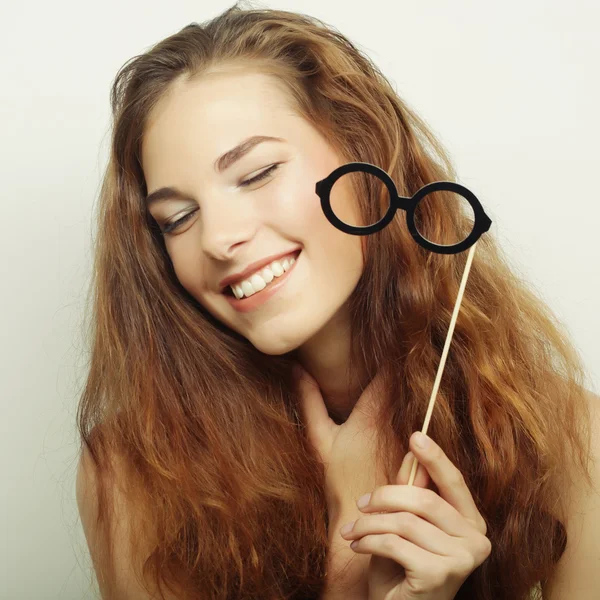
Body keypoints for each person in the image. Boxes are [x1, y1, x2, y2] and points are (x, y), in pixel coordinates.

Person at [75, 3, 600, 599]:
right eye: (178, 217)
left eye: (257, 173)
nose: (218, 239)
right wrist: (350, 573)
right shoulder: (129, 471)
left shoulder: (574, 440)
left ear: (366, 152)